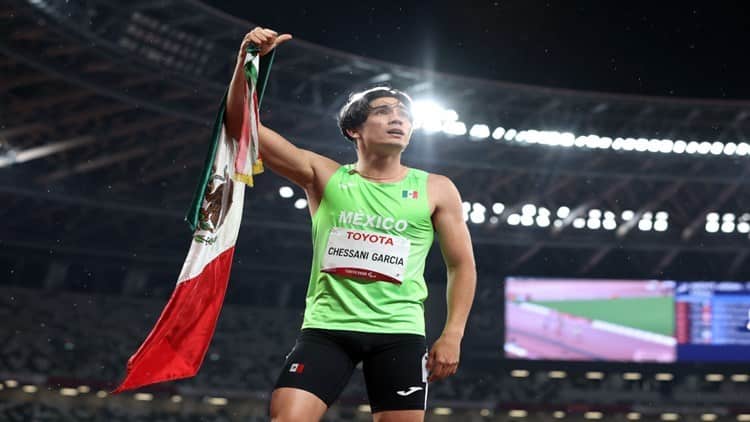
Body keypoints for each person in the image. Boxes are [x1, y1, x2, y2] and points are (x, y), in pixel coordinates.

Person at [226, 27, 476, 422]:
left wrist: (453, 334)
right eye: (383, 112)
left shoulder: (436, 189)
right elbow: (241, 124)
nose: (398, 120)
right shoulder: (323, 175)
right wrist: (247, 62)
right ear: (353, 130)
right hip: (328, 329)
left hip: (400, 334)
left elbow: (461, 265)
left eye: (404, 116)